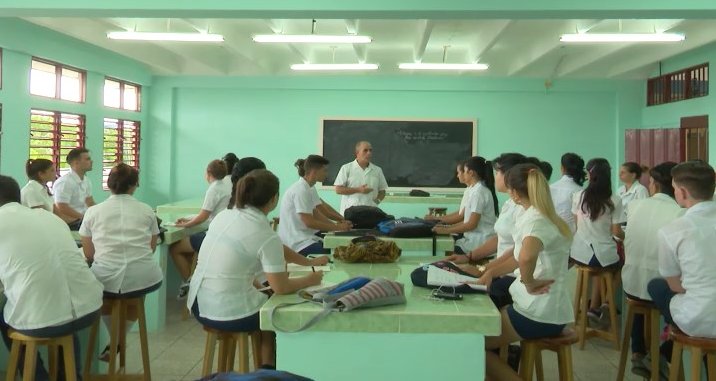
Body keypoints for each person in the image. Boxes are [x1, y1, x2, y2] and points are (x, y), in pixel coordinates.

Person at [187, 169, 323, 369]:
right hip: (229, 311)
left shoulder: (225, 215)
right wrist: (311, 279)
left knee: (266, 294)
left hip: (199, 304)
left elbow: (236, 259)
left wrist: (308, 262)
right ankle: (267, 370)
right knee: (274, 312)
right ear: (274, 199)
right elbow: (281, 287)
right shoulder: (264, 232)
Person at [0, 175, 103, 381]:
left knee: (4, 317)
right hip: (90, 308)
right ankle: (71, 376)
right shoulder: (48, 216)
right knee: (60, 309)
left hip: (47, 318)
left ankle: (38, 377)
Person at [476, 164, 573, 381]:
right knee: (483, 329)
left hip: (538, 312)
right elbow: (518, 257)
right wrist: (490, 272)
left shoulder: (537, 221)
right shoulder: (538, 215)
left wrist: (529, 282)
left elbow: (527, 257)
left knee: (473, 343)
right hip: (540, 308)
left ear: (514, 192)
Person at [79, 164, 163, 361]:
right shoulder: (147, 211)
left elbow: (89, 253)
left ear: (109, 185)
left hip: (105, 275)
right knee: (135, 295)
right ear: (134, 186)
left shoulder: (93, 212)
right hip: (144, 274)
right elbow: (151, 247)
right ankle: (118, 340)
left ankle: (115, 340)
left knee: (103, 294)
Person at [446, 153, 531, 309]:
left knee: (467, 299)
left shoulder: (524, 209)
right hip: (500, 270)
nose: (494, 176)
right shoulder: (510, 204)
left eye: (497, 172)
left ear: (510, 175)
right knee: (455, 279)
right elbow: (498, 239)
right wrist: (469, 258)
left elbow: (517, 254)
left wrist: (483, 269)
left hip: (512, 276)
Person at [622, 162, 682, 377]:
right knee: (677, 298)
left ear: (654, 184)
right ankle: (663, 352)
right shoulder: (680, 213)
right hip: (657, 288)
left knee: (642, 289)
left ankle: (638, 351)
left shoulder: (636, 206)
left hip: (630, 286)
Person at [648, 161, 716, 341]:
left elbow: (675, 286)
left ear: (683, 192)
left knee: (656, 286)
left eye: (675, 189)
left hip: (699, 319)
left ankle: (670, 347)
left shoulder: (672, 230)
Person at [570, 158, 625, 325]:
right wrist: (625, 238)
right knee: (619, 266)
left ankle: (593, 307)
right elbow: (616, 231)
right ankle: (607, 303)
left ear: (589, 175)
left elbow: (576, 223)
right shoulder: (614, 199)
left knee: (598, 268)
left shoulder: (578, 196)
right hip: (601, 253)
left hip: (579, 253)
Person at [170, 159, 232, 299]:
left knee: (175, 248)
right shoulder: (226, 186)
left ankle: (191, 284)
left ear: (208, 173)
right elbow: (209, 213)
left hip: (214, 236)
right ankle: (191, 279)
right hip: (223, 233)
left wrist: (185, 225)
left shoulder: (214, 188)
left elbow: (203, 217)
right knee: (189, 249)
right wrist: (189, 219)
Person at [279, 155, 352, 255]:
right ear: (314, 172)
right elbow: (309, 222)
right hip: (296, 243)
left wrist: (338, 224)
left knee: (336, 246)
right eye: (324, 170)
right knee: (335, 253)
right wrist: (338, 227)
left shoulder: (308, 188)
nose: (326, 174)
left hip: (305, 237)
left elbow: (317, 213)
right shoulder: (300, 190)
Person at [433, 156, 498, 254]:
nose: (459, 175)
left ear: (471, 173)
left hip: (479, 242)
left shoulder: (478, 192)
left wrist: (446, 230)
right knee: (447, 245)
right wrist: (446, 228)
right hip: (473, 238)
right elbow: (466, 219)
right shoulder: (475, 190)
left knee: (448, 251)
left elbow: (471, 224)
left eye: (464, 171)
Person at [334, 141, 388, 215]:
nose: (369, 153)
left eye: (370, 150)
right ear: (357, 153)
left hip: (370, 212)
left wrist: (376, 203)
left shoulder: (377, 170)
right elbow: (338, 190)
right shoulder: (346, 168)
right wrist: (358, 190)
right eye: (365, 150)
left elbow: (382, 191)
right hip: (350, 213)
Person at [52, 147, 95, 224]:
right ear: (76, 163)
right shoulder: (65, 182)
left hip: (82, 220)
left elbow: (90, 202)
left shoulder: (86, 180)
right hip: (71, 223)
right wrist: (83, 217)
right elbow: (61, 207)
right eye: (87, 159)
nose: (91, 161)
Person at [550, 153, 586, 233]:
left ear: (562, 168)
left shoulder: (550, 188)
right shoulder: (581, 191)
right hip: (573, 237)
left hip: (552, 236)